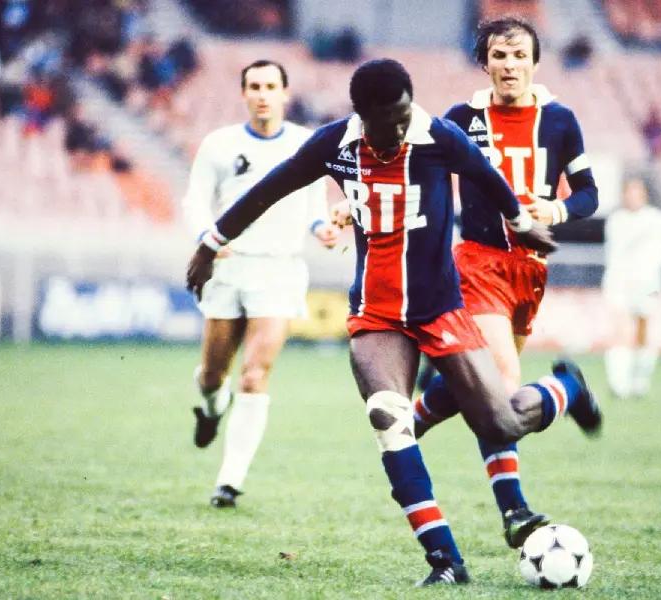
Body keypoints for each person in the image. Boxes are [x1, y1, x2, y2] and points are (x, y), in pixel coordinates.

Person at [186, 58, 602, 587]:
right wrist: (210, 244)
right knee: (389, 421)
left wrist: (521, 222)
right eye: (391, 118)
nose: (403, 125)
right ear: (364, 116)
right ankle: (445, 560)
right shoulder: (335, 144)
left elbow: (486, 176)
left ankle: (565, 388)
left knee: (498, 423)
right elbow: (269, 190)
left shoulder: (438, 135)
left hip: (441, 309)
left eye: (406, 113)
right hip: (376, 315)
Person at [410, 16, 601, 551]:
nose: (509, 66)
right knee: (499, 384)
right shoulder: (460, 119)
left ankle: (563, 388)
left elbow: (588, 192)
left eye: (519, 56)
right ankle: (514, 507)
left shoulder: (560, 121)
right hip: (477, 263)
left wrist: (559, 209)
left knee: (480, 383)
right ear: (485, 62)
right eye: (499, 55)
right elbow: (425, 183)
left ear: (535, 62)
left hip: (530, 271)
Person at [183, 59, 340, 509]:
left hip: (279, 269)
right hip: (229, 268)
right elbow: (195, 200)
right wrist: (205, 240)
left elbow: (313, 200)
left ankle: (229, 482)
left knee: (255, 375)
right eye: (254, 85)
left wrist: (320, 227)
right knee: (214, 376)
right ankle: (212, 408)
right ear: (244, 93)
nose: (263, 93)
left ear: (285, 93)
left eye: (271, 85)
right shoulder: (219, 144)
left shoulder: (304, 143)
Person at [602, 177, 661, 399]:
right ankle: (618, 383)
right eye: (628, 192)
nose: (632, 196)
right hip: (619, 282)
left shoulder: (657, 219)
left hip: (649, 284)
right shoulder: (616, 220)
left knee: (644, 330)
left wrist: (643, 276)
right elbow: (614, 254)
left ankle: (640, 379)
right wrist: (623, 277)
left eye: (637, 191)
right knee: (621, 329)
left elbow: (660, 253)